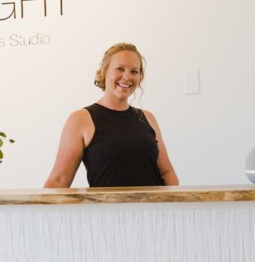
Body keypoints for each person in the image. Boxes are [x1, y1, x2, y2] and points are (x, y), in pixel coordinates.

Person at [43, 42, 179, 188]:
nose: (127, 76)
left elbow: (167, 173)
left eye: (134, 71)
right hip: (107, 210)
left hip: (153, 209)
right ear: (104, 71)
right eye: (120, 69)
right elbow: (59, 180)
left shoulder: (148, 118)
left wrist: (173, 206)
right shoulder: (81, 119)